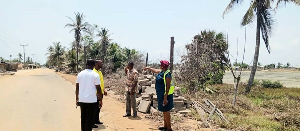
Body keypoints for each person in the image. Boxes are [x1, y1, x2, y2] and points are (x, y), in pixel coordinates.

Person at [144, 60, 174, 131]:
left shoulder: (167, 74)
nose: (159, 65)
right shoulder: (162, 72)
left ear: (163, 66)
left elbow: (168, 86)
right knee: (164, 110)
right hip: (161, 94)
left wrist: (165, 97)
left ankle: (169, 128)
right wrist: (148, 68)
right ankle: (165, 126)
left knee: (166, 111)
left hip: (166, 95)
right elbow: (155, 70)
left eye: (161, 64)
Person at [76, 59, 103, 131]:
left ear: (86, 65)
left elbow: (77, 87)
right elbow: (99, 89)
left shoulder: (80, 74)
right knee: (90, 119)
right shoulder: (95, 75)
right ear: (94, 65)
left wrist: (77, 98)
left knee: (83, 118)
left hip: (82, 100)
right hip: (92, 101)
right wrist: (100, 100)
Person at [93, 60, 108, 128]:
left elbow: (101, 82)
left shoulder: (100, 72)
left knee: (98, 107)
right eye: (100, 63)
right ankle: (92, 122)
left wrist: (103, 90)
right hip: (95, 94)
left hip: (100, 93)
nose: (102, 64)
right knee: (94, 108)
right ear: (96, 64)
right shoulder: (93, 72)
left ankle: (96, 120)